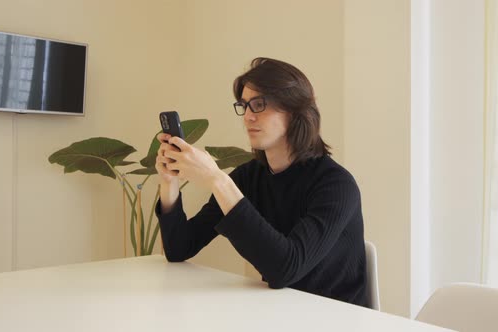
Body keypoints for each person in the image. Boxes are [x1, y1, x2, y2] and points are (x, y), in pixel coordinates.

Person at [154, 57, 367, 306]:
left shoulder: (337, 185)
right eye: (244, 106)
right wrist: (169, 181)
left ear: (295, 111)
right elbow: (180, 248)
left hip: (339, 320)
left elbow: (285, 269)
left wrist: (217, 180)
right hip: (277, 313)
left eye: (259, 105)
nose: (248, 117)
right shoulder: (248, 177)